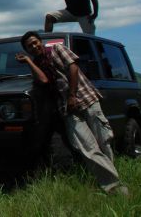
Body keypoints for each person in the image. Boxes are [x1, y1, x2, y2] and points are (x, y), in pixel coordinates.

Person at [16, 31, 128, 195]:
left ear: (41, 41)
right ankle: (113, 186)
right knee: (86, 146)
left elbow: (73, 67)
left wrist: (72, 95)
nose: (34, 47)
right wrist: (28, 62)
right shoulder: (37, 63)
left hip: (85, 98)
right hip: (66, 108)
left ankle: (112, 179)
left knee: (103, 139)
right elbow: (44, 80)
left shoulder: (57, 50)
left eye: (35, 42)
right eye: (29, 46)